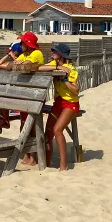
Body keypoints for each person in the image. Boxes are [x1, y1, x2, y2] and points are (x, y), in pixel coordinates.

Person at [38, 42, 80, 171]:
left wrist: (65, 79)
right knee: (48, 133)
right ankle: (47, 162)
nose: (52, 53)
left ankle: (63, 165)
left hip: (70, 103)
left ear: (61, 55)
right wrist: (56, 67)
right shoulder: (54, 65)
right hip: (58, 102)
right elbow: (39, 68)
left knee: (57, 130)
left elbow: (76, 90)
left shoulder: (70, 69)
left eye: (55, 52)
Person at [0, 33, 44, 132]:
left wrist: (16, 64)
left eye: (22, 43)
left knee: (27, 126)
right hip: (25, 92)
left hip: (35, 93)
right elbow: (10, 65)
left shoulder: (37, 53)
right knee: (0, 97)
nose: (20, 45)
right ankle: (5, 120)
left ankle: (31, 145)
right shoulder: (25, 54)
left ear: (27, 44)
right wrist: (15, 63)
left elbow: (24, 66)